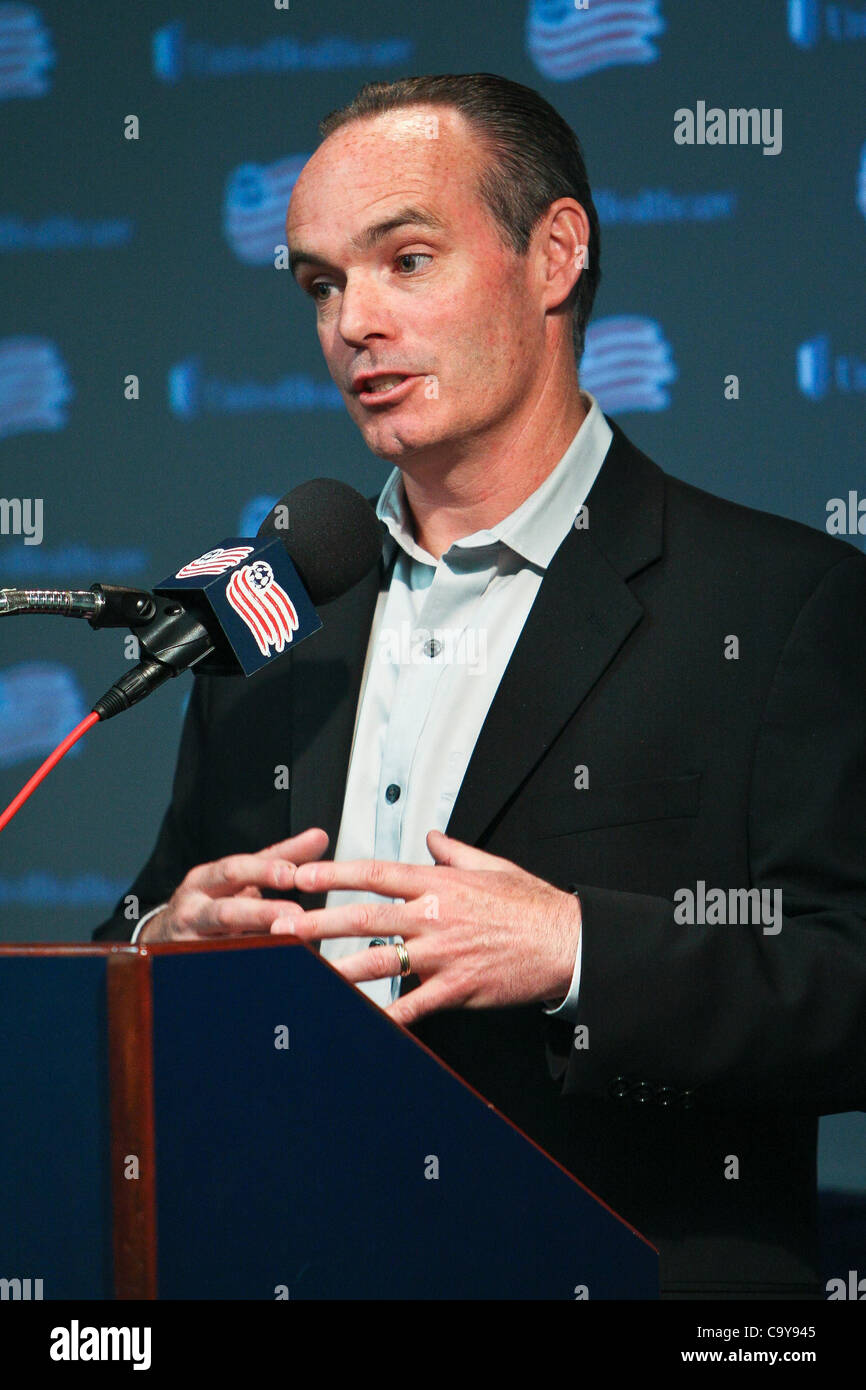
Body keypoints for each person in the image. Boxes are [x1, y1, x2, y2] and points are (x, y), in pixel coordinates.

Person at [94, 73, 866, 1299]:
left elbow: (844, 976)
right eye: (320, 283)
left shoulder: (776, 603)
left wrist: (575, 948)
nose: (352, 321)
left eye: (404, 259)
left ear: (553, 253)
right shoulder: (275, 617)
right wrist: (159, 946)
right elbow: (137, 932)